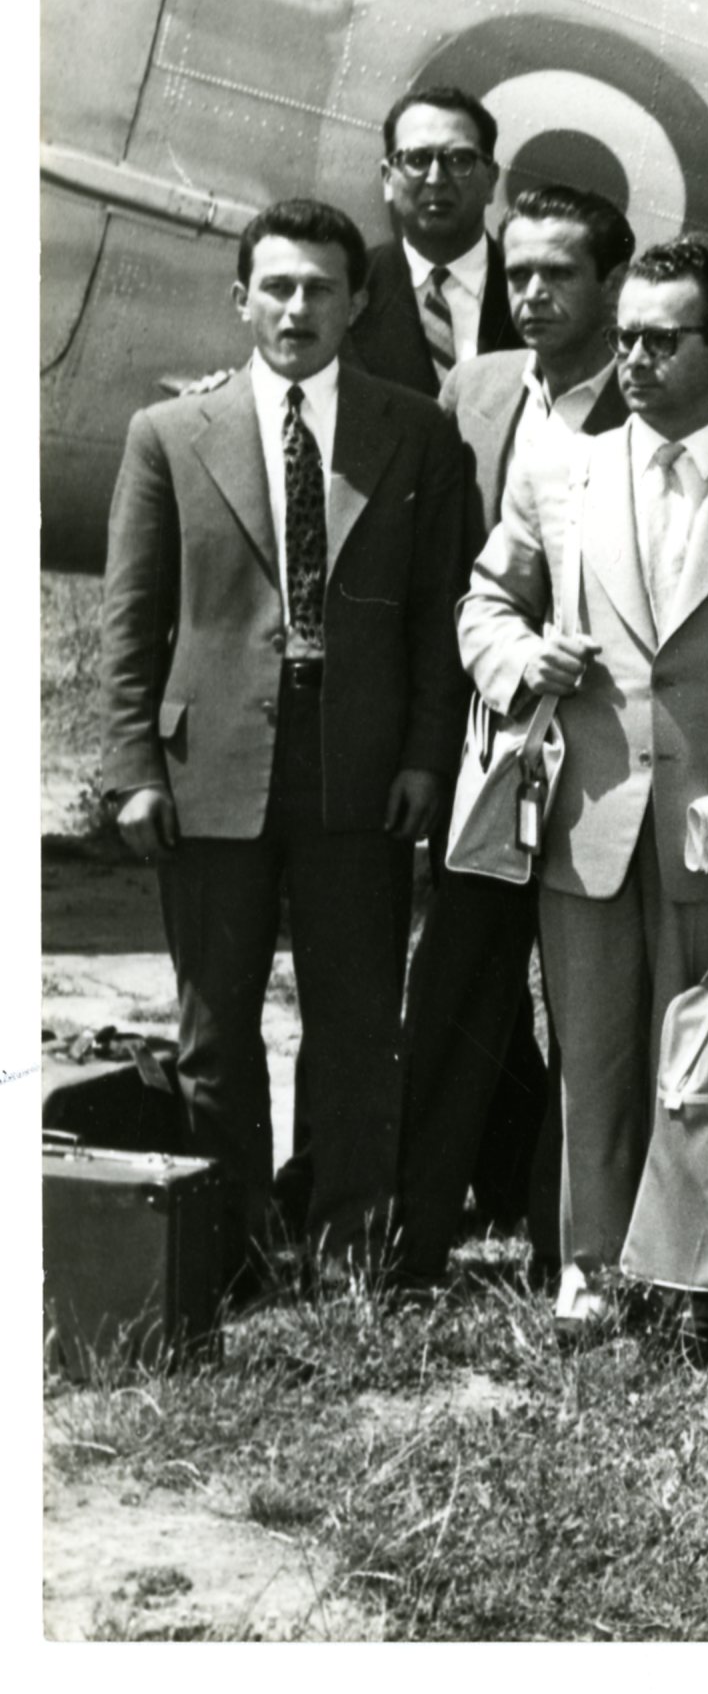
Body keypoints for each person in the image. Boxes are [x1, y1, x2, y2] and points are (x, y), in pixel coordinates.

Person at [458, 238, 708, 1326]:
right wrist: (517, 657)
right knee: (589, 1049)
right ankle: (591, 1260)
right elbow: (484, 606)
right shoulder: (556, 474)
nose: (631, 356)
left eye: (660, 338)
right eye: (624, 334)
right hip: (591, 819)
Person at [99, 199, 469, 1272]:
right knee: (216, 1031)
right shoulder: (169, 434)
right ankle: (227, 1242)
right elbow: (131, 620)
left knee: (356, 1024)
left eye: (319, 287)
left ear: (360, 302)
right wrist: (132, 769)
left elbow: (441, 617)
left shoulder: (415, 431)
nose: (297, 307)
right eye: (277, 286)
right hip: (207, 767)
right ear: (240, 300)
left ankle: (346, 1237)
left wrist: (423, 759)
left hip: (359, 769)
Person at [394, 182, 635, 1286]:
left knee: (585, 1017)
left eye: (560, 275)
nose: (533, 294)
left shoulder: (652, 407)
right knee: (453, 991)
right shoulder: (478, 387)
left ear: (613, 285)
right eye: (520, 272)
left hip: (604, 764)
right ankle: (412, 1239)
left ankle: (561, 1243)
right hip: (493, 751)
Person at [347, 85, 519, 395]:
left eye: (459, 159)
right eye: (417, 158)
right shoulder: (347, 290)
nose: (436, 178)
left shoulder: (530, 293)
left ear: (491, 180)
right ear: (387, 178)